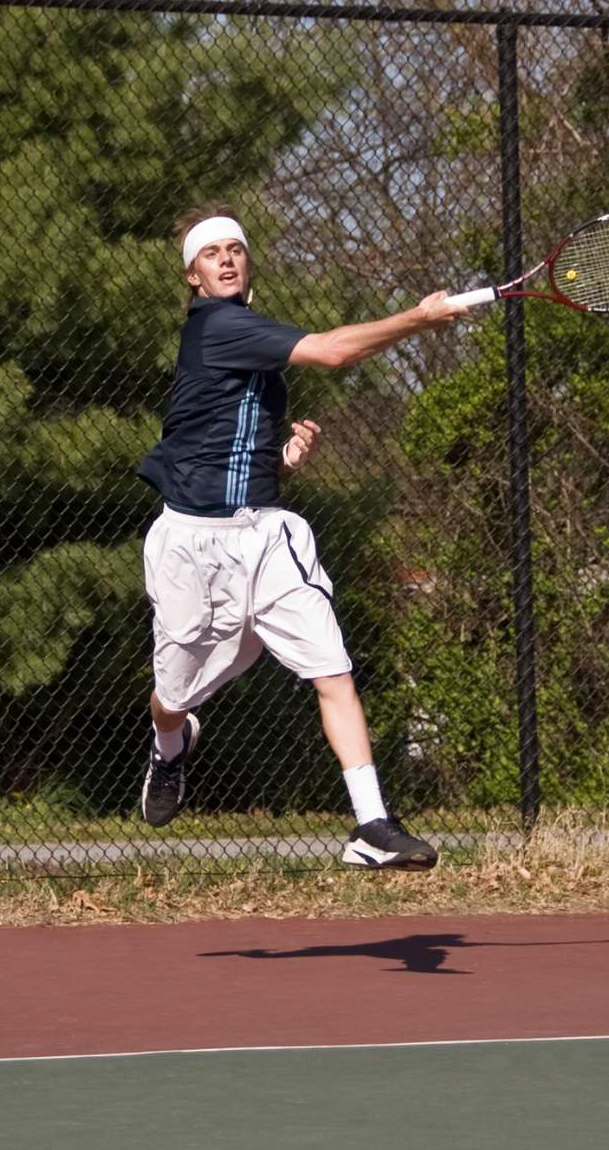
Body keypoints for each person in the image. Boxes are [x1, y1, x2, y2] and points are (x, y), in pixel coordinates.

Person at [134, 206, 466, 869]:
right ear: (194, 278)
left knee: (333, 670)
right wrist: (417, 319)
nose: (225, 259)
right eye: (211, 254)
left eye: (235, 249)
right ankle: (168, 749)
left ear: (246, 262)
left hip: (267, 538)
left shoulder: (252, 340)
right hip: (192, 548)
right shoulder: (216, 324)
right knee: (171, 698)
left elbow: (222, 436)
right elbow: (335, 351)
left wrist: (280, 459)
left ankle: (371, 824)